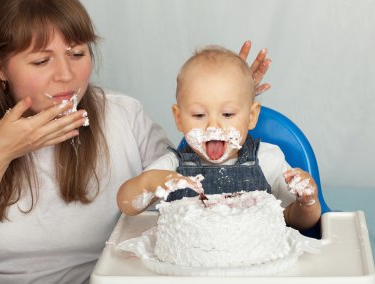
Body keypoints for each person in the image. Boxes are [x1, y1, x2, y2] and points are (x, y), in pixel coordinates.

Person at [0, 0, 271, 284]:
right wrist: (2, 152)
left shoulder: (124, 115)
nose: (65, 74)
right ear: (1, 67)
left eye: (77, 53)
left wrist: (224, 96)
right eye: (41, 61)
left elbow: (184, 182)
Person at [117, 46, 322, 231]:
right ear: (178, 119)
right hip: (187, 270)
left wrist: (307, 203)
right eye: (198, 115)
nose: (213, 126)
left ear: (251, 116)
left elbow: (295, 220)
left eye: (227, 114)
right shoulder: (172, 169)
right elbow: (126, 205)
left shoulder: (269, 160)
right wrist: (151, 182)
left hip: (257, 269)